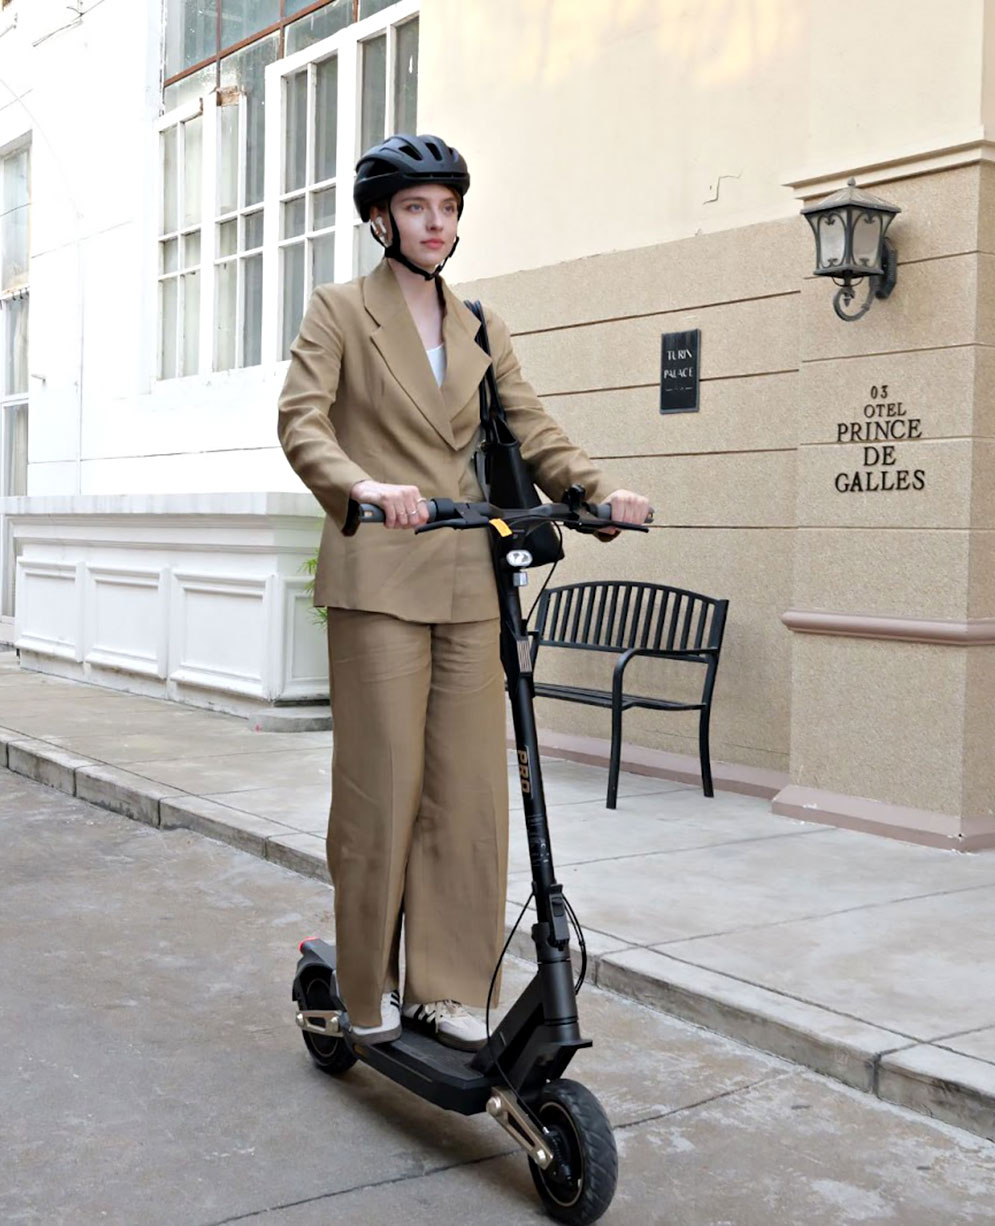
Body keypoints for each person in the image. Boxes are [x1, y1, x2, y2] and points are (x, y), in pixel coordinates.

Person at [276, 134, 650, 1050]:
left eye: (446, 208)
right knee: (384, 789)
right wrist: (360, 487)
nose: (435, 224)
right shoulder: (338, 312)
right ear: (381, 220)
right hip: (382, 572)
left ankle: (446, 985)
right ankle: (366, 986)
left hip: (471, 578)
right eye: (416, 208)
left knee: (470, 792)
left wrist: (595, 493)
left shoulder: (481, 323)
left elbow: (532, 425)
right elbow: (301, 420)